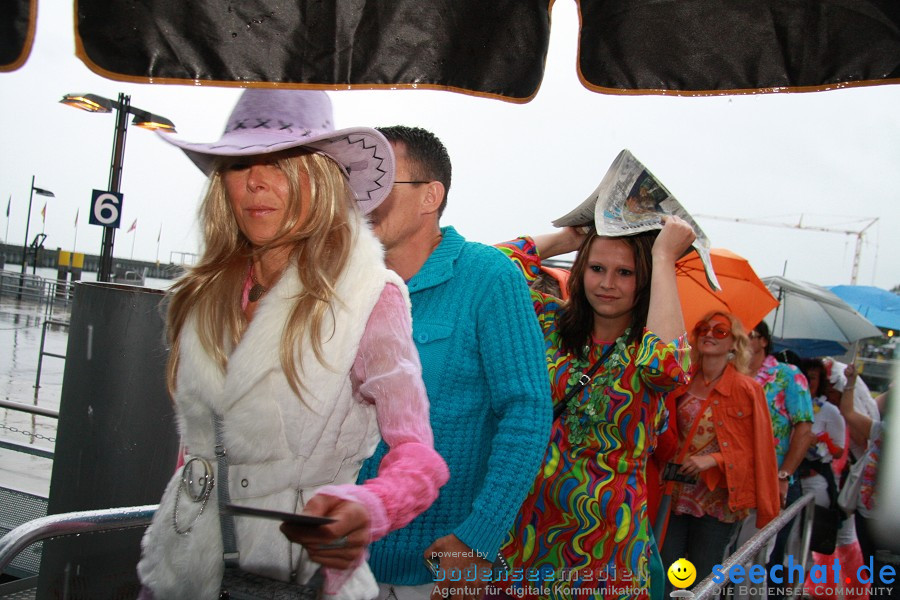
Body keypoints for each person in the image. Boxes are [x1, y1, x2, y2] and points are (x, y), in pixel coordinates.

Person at [136, 90, 449, 600]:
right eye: (239, 165)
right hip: (179, 573)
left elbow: (419, 456)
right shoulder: (203, 295)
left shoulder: (368, 296)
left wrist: (366, 509)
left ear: (321, 177)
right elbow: (199, 453)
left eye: (279, 162)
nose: (255, 180)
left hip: (301, 574)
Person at [356, 126, 552, 600]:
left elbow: (527, 411)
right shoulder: (346, 281)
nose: (364, 198)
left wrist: (479, 537)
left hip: (434, 569)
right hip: (339, 558)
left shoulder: (488, 277)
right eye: (360, 183)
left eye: (383, 182)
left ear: (430, 196)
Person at [495, 219, 696, 600]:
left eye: (625, 273)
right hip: (525, 530)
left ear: (647, 280)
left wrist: (664, 254)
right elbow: (487, 270)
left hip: (606, 546)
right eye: (597, 268)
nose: (607, 283)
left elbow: (669, 367)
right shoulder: (548, 323)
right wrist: (564, 239)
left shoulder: (646, 351)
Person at [659, 312, 779, 593]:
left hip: (718, 501)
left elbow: (758, 452)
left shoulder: (747, 389)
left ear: (735, 344)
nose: (709, 334)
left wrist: (712, 459)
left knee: (702, 577)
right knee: (667, 572)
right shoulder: (681, 381)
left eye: (720, 331)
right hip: (675, 493)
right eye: (703, 328)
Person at [741, 321, 813, 587]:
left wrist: (785, 474)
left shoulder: (787, 375)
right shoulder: (729, 372)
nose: (744, 340)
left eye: (751, 335)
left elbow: (804, 428)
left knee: (758, 562)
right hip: (730, 481)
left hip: (771, 481)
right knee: (725, 561)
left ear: (764, 341)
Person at [797, 359, 845, 509]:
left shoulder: (829, 410)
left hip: (813, 480)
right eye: (804, 376)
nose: (807, 381)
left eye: (812, 377)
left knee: (807, 529)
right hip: (788, 479)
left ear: (820, 381)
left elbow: (838, 452)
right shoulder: (789, 406)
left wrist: (819, 442)